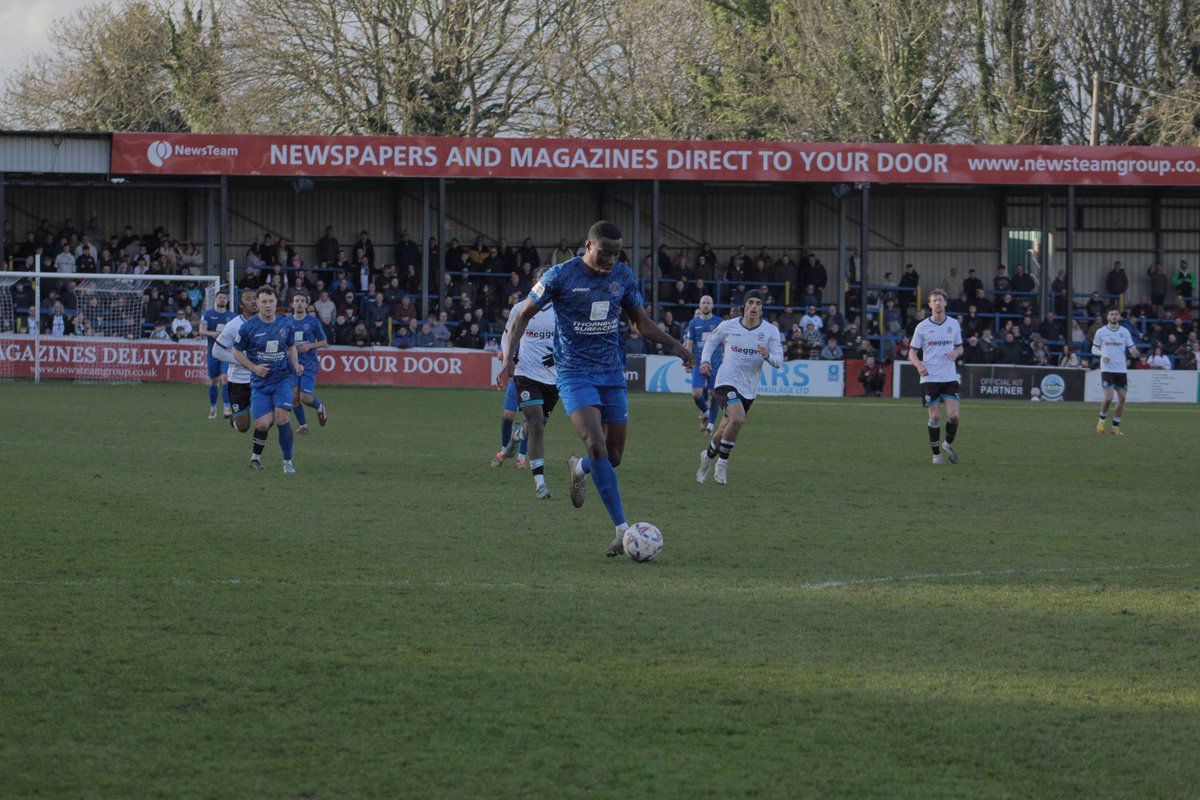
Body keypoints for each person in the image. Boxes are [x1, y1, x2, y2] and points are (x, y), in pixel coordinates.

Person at [503, 221, 693, 558]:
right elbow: (523, 315)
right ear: (588, 246)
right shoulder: (559, 275)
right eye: (605, 253)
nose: (610, 260)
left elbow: (640, 322)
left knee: (613, 456)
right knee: (595, 443)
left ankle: (580, 468)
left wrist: (676, 346)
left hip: (611, 373)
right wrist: (508, 357)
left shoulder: (622, 275)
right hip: (574, 373)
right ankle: (622, 530)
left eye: (616, 254)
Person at [695, 290, 783, 486]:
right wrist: (705, 360)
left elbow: (779, 361)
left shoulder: (770, 331)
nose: (753, 306)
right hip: (725, 381)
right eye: (750, 302)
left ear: (762, 308)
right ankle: (722, 463)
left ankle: (707, 457)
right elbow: (711, 341)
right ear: (744, 305)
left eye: (758, 303)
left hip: (748, 388)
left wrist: (768, 356)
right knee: (738, 418)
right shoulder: (728, 325)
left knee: (724, 429)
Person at [497, 267, 558, 499]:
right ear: (535, 283)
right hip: (526, 374)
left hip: (553, 377)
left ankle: (517, 436)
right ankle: (540, 484)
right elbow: (508, 336)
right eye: (542, 280)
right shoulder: (520, 308)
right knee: (536, 424)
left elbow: (572, 340)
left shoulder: (562, 310)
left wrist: (559, 355)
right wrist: (506, 361)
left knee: (536, 426)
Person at [231, 286, 302, 473]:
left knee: (281, 417)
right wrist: (254, 367)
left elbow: (291, 347)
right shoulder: (248, 327)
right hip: (260, 384)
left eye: (271, 301)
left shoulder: (286, 324)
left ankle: (287, 463)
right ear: (258, 303)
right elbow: (236, 351)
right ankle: (255, 458)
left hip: (282, 379)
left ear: (276, 302)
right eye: (264, 302)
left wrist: (296, 364)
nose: (268, 305)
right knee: (262, 424)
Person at [908, 288, 964, 465]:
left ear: (945, 303)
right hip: (930, 378)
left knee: (954, 417)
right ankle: (936, 454)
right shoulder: (922, 326)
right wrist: (919, 366)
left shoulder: (953, 324)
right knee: (934, 418)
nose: (938, 303)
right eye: (934, 300)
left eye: (940, 300)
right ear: (930, 305)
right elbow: (912, 352)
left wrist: (956, 353)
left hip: (949, 377)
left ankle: (947, 444)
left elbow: (960, 347)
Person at [213, 290, 260, 439]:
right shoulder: (233, 325)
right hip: (238, 380)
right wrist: (243, 361)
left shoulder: (267, 323)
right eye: (248, 299)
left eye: (255, 298)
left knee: (265, 419)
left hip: (260, 378)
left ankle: (258, 451)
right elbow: (216, 351)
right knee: (243, 427)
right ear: (241, 304)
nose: (253, 301)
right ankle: (235, 419)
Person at [1092, 307, 1140, 436]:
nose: (1114, 316)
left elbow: (1131, 347)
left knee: (1122, 398)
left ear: (1119, 317)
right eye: (1111, 314)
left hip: (1121, 369)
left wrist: (1134, 352)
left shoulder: (1124, 331)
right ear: (1107, 317)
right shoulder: (1101, 332)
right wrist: (1103, 354)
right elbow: (1094, 349)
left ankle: (1115, 427)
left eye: (1116, 314)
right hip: (1107, 369)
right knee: (1109, 398)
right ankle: (1101, 422)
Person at [288, 293, 330, 434]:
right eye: (297, 301)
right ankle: (303, 426)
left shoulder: (313, 322)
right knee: (294, 397)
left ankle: (320, 406)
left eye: (302, 301)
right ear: (293, 304)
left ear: (306, 304)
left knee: (305, 398)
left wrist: (309, 346)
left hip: (308, 364)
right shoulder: (287, 322)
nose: (299, 303)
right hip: (292, 365)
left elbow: (324, 342)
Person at [683, 295, 723, 434]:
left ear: (712, 306)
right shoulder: (694, 323)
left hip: (715, 363)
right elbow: (689, 344)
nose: (706, 305)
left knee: (714, 394)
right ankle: (706, 412)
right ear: (700, 306)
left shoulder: (719, 322)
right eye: (703, 303)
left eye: (708, 303)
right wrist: (688, 361)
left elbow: (725, 342)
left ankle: (710, 426)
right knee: (696, 394)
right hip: (699, 363)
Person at [199, 290, 236, 419]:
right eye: (220, 297)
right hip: (213, 353)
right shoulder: (208, 314)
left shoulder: (232, 316)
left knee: (225, 378)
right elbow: (201, 330)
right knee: (213, 381)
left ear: (227, 300)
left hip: (226, 353)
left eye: (224, 298)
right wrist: (213, 334)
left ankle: (227, 408)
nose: (222, 299)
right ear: (215, 299)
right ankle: (213, 408)